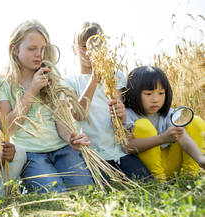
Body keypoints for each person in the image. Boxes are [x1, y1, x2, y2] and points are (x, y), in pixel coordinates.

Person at [0, 19, 94, 194]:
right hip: (31, 154)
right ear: (14, 49)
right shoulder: (1, 82)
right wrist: (31, 90)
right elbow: (8, 129)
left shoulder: (51, 77)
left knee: (86, 190)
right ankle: (26, 184)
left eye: (43, 49)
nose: (39, 54)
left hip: (61, 149)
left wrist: (71, 138)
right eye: (32, 49)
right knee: (56, 194)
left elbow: (61, 123)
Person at [63, 22, 152, 180]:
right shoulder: (69, 81)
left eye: (96, 47)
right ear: (73, 49)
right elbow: (78, 114)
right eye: (84, 47)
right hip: (92, 153)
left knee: (145, 179)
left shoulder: (115, 76)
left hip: (117, 151)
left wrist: (121, 113)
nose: (90, 53)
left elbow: (119, 114)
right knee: (105, 185)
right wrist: (94, 79)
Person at [122, 65, 205, 181]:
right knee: (142, 125)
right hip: (147, 169)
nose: (156, 99)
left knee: (195, 121)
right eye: (148, 94)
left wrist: (200, 158)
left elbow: (184, 137)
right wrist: (163, 138)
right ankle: (159, 182)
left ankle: (190, 176)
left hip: (171, 165)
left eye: (161, 93)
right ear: (134, 93)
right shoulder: (126, 114)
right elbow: (127, 147)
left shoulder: (169, 114)